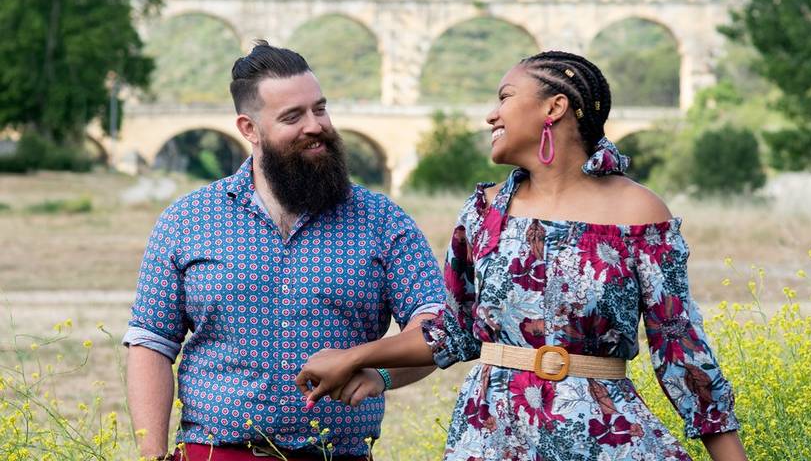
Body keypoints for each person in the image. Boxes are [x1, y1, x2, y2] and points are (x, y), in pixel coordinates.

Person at [296, 50, 748, 460]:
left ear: (554, 107)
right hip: (492, 438)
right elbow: (454, 333)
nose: (491, 115)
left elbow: (681, 348)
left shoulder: (639, 213)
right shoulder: (483, 213)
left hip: (604, 439)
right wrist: (357, 357)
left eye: (505, 97)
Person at [124, 41, 445, 460]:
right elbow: (151, 341)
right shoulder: (188, 220)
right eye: (293, 116)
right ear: (249, 129)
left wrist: (379, 370)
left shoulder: (382, 219)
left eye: (320, 109)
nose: (315, 126)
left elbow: (438, 328)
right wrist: (151, 453)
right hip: (216, 453)